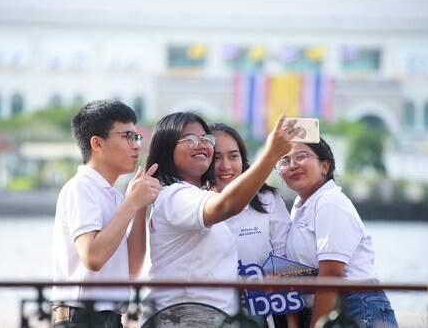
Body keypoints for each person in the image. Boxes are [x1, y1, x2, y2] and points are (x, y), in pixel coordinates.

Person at [142, 112, 297, 320]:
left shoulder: (194, 195)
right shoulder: (175, 195)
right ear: (167, 149)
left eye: (206, 139)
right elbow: (227, 206)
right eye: (190, 139)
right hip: (185, 319)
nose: (201, 145)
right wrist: (271, 155)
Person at [50, 100, 162, 328]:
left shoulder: (113, 196)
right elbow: (93, 257)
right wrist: (130, 204)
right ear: (97, 143)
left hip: (110, 319)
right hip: (80, 318)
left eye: (136, 137)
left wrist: (140, 206)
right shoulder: (81, 187)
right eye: (127, 136)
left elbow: (131, 270)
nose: (136, 145)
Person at [277, 138, 398, 328]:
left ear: (325, 166)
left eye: (301, 157)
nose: (292, 166)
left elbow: (332, 272)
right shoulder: (301, 208)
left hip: (354, 307)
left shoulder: (329, 201)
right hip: (330, 306)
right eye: (284, 161)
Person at [209, 122, 293, 328]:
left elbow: (285, 264)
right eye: (216, 157)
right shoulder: (192, 202)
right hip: (206, 314)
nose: (225, 166)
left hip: (260, 317)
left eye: (233, 156)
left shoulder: (267, 200)